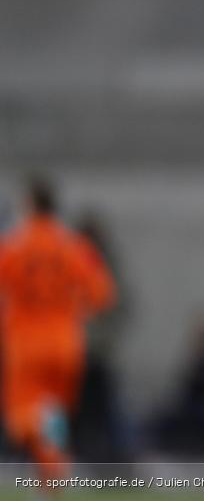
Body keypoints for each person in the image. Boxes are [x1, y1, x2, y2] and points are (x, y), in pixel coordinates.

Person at [0, 176, 115, 480]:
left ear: (29, 205)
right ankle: (50, 480)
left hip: (26, 345)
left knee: (21, 419)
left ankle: (48, 453)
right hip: (66, 345)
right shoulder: (75, 246)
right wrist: (74, 309)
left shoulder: (14, 245)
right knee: (54, 416)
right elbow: (102, 295)